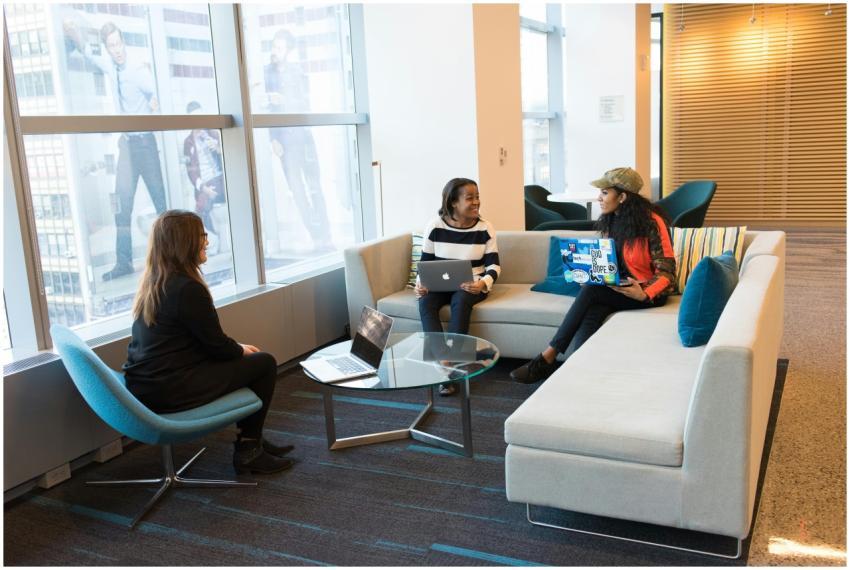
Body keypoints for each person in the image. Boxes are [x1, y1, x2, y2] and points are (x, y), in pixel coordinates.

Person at [123, 210, 293, 474]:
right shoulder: (187, 289)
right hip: (169, 389)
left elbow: (193, 342)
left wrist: (235, 349)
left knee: (246, 359)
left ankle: (253, 438)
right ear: (186, 243)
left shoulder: (155, 282)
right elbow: (217, 347)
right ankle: (249, 448)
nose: (207, 241)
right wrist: (239, 349)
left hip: (147, 384)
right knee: (264, 363)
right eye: (202, 236)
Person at [510, 167, 676, 384]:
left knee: (592, 292)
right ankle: (575, 372)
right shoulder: (611, 220)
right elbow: (610, 262)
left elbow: (667, 273)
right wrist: (591, 273)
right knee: (593, 306)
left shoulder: (652, 222)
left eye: (605, 193)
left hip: (647, 293)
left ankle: (548, 357)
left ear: (623, 197)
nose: (599, 198)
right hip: (617, 287)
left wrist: (644, 293)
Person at [63, 19, 167, 281]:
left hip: (145, 143)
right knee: (122, 207)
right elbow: (90, 55)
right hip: (127, 145)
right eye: (111, 46)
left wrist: (155, 105)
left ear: (124, 42)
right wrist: (75, 34)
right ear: (107, 48)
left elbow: (157, 94)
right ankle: (123, 263)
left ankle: (172, 259)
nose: (117, 49)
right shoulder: (111, 67)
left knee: (161, 204)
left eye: (119, 44)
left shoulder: (137, 70)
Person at [415, 178, 500, 396]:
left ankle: (447, 366)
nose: (476, 202)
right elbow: (424, 264)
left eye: (477, 197)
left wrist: (482, 283)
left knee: (461, 300)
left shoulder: (485, 227)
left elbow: (494, 266)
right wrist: (420, 285)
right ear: (453, 202)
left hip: (471, 285)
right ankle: (445, 363)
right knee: (425, 302)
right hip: (439, 285)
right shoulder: (435, 226)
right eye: (470, 198)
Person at [263, 29, 333, 252]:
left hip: (303, 138)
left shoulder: (297, 72)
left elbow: (305, 103)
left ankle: (326, 236)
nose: (276, 51)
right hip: (284, 141)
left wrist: (285, 100)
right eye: (274, 46)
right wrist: (273, 138)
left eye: (280, 48)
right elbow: (265, 109)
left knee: (315, 188)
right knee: (298, 191)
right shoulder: (267, 74)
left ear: (288, 51)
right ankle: (316, 237)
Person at [183, 101, 225, 245]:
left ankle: (215, 240)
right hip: (205, 183)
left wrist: (218, 148)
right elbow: (191, 172)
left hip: (220, 178)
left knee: (203, 206)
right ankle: (213, 238)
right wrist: (203, 188)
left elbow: (230, 157)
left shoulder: (213, 134)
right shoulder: (188, 142)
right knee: (200, 210)